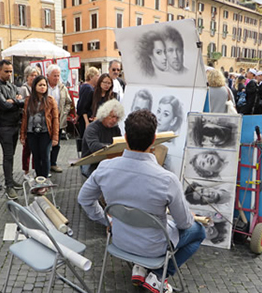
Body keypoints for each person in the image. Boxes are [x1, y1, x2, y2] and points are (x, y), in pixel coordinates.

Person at [78, 109, 205, 293]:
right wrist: (189, 215)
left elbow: (84, 199)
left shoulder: (105, 167)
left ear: (125, 137)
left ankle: (140, 268)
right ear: (154, 139)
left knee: (155, 220)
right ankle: (159, 274)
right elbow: (184, 223)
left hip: (120, 239)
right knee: (198, 231)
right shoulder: (167, 179)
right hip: (153, 247)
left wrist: (107, 221)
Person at [0, 60, 24, 199]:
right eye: (6, 71)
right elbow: (4, 105)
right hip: (5, 126)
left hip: (15, 125)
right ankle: (9, 185)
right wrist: (16, 101)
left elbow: (22, 101)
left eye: (10, 71)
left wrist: (14, 101)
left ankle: (10, 181)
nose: (9, 74)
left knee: (11, 156)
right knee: (8, 156)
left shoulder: (12, 85)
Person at [20, 75, 59, 178]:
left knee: (45, 156)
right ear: (35, 86)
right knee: (36, 157)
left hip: (45, 133)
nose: (42, 87)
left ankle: (44, 180)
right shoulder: (28, 100)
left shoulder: (50, 100)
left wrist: (55, 137)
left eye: (44, 85)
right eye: (40, 85)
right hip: (31, 133)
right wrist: (23, 135)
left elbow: (55, 119)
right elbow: (25, 118)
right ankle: (38, 179)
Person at [80, 99, 124, 178]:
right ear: (104, 114)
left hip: (108, 160)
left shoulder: (115, 128)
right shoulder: (92, 128)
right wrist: (112, 147)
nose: (114, 120)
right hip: (91, 162)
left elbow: (119, 143)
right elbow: (94, 146)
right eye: (112, 116)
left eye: (117, 118)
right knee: (105, 176)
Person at [47, 64, 72, 173]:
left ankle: (53, 163)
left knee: (56, 144)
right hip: (46, 121)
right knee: (46, 143)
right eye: (54, 76)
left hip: (59, 120)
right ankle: (45, 164)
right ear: (48, 76)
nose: (57, 78)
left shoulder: (62, 88)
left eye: (58, 76)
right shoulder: (44, 86)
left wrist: (64, 113)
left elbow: (68, 102)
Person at [20, 66, 40, 176]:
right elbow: (21, 104)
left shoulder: (39, 88)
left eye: (35, 75)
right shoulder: (24, 89)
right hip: (28, 123)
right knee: (27, 148)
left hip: (38, 122)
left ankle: (35, 168)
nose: (33, 77)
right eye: (31, 75)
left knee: (36, 149)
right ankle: (26, 170)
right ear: (27, 77)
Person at [76, 67, 99, 138]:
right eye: (97, 75)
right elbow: (83, 106)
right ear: (91, 77)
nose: (98, 78)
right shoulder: (88, 88)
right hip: (87, 119)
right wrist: (86, 122)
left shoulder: (84, 87)